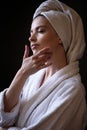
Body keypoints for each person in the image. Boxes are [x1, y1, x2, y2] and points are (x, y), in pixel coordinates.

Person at [0, 0, 87, 129]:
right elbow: (4, 117)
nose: (31, 38)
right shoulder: (32, 77)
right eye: (31, 32)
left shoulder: (72, 90)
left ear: (61, 37)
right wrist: (22, 73)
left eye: (40, 31)